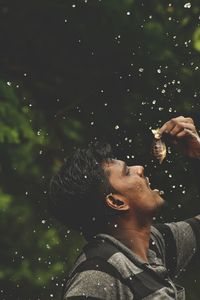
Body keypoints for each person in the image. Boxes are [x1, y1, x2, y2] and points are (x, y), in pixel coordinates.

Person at [49, 116, 200, 300]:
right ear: (117, 202)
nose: (140, 169)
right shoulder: (97, 272)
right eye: (127, 172)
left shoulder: (153, 245)